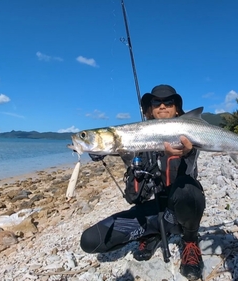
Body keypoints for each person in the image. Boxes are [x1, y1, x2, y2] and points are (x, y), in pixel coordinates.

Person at [80, 84, 206, 280]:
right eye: (156, 102)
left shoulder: (187, 136)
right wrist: (96, 150)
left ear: (177, 109)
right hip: (151, 216)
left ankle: (190, 240)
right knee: (90, 241)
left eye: (169, 102)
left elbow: (189, 161)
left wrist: (187, 152)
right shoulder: (136, 140)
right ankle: (151, 234)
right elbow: (115, 146)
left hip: (178, 212)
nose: (162, 106)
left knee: (189, 190)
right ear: (149, 109)